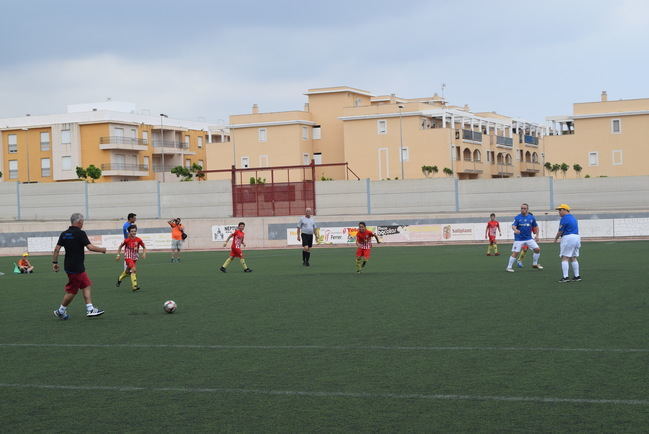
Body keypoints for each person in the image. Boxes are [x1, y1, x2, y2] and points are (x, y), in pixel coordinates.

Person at [52, 213, 107, 320]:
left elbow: (56, 249)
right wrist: (102, 250)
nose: (83, 224)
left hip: (69, 265)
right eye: (82, 222)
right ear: (79, 222)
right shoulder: (80, 233)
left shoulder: (64, 234)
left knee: (86, 284)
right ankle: (60, 311)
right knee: (72, 291)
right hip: (76, 267)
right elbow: (90, 247)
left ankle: (90, 308)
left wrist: (54, 263)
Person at [506, 203, 543, 272]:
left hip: (529, 238)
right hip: (519, 239)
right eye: (521, 208)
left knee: (537, 249)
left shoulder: (531, 218)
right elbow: (513, 226)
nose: (523, 210)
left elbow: (536, 227)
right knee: (516, 253)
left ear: (527, 209)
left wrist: (537, 236)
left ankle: (535, 264)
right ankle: (509, 267)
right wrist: (515, 230)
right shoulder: (517, 217)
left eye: (524, 208)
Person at [554, 204, 581, 283]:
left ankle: (565, 277)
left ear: (565, 210)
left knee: (564, 257)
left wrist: (556, 238)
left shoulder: (564, 218)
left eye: (560, 210)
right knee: (573, 257)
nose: (559, 212)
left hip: (568, 238)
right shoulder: (573, 217)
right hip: (576, 237)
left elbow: (560, 231)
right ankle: (577, 276)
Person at [116, 225, 147, 291]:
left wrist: (144, 253)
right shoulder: (126, 240)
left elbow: (144, 247)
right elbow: (120, 247)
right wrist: (118, 255)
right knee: (134, 269)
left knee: (127, 272)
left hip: (135, 258)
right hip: (128, 257)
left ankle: (120, 278)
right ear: (129, 232)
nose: (133, 232)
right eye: (132, 231)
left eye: (135, 231)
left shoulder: (138, 240)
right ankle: (134, 286)